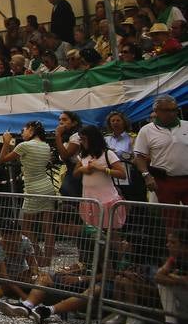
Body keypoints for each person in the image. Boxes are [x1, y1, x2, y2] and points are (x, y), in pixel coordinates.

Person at [0, 121, 58, 265]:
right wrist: (12, 146)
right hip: (47, 188)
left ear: (31, 130)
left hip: (33, 190)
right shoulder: (45, 146)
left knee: (25, 227)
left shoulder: (24, 146)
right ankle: (47, 261)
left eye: (23, 130)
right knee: (47, 227)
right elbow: (23, 158)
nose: (21, 133)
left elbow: (2, 159)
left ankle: (38, 256)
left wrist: (6, 143)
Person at [135, 94, 188, 232]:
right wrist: (147, 175)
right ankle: (173, 252)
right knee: (171, 220)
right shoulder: (146, 130)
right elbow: (139, 156)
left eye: (174, 110)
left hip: (186, 178)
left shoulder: (187, 126)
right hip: (165, 180)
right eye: (166, 110)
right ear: (156, 111)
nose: (171, 113)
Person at [73, 124, 126, 229]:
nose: (81, 142)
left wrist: (101, 169)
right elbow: (75, 173)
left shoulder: (108, 154)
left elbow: (122, 174)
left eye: (84, 139)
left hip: (106, 200)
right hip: (89, 200)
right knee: (93, 231)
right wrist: (82, 169)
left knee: (111, 232)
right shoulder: (83, 156)